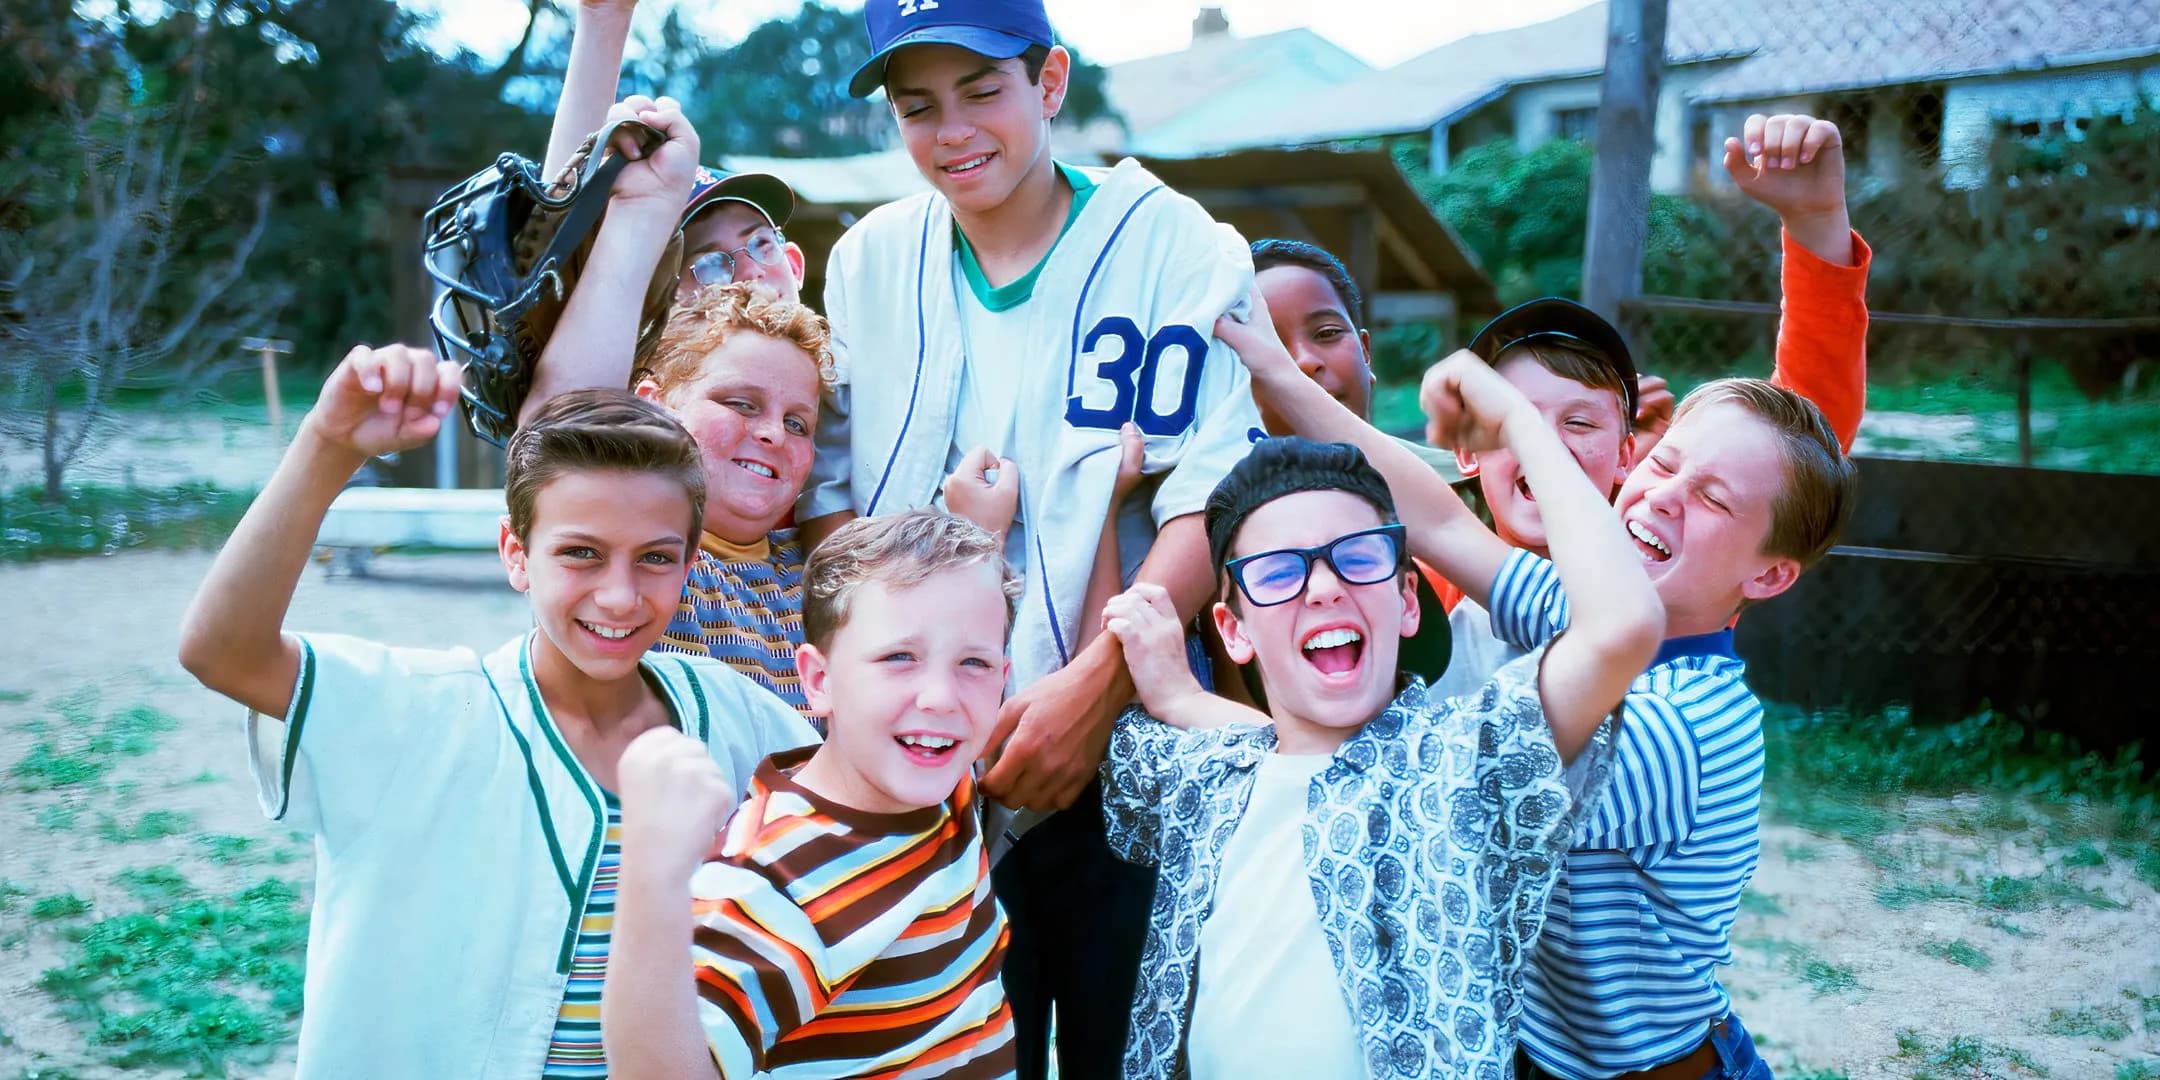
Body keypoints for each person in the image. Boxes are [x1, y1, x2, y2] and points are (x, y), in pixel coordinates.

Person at [798, 0, 1268, 1072]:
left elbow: (1215, 488)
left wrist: (1098, 685)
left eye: (982, 90)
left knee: (1131, 1054)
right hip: (920, 760)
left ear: (1050, 81)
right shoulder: (869, 259)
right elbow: (823, 489)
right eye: (917, 106)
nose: (952, 129)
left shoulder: (1179, 245)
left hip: (1130, 746)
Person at [1225, 299, 1857, 1080]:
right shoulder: (1582, 613)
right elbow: (1444, 524)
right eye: (1667, 464)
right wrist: (1277, 374)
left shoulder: (1684, 728)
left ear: (1766, 574)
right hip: (1545, 1056)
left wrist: (1524, 428)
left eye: (1715, 498)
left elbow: (1429, 801)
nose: (1664, 495)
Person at [175, 353, 816, 1078]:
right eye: (581, 553)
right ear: (516, 552)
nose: (618, 595)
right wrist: (329, 444)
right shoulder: (425, 713)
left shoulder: (737, 718)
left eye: (655, 559)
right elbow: (220, 652)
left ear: (691, 559)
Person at [1093, 406, 1661, 1074]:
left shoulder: (1465, 765)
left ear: (1408, 599)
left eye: (1358, 558)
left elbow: (1622, 623)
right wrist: (1104, 512)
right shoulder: (1204, 775)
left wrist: (1521, 425)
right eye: (1279, 572)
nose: (1327, 588)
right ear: (1234, 629)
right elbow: (1103, 686)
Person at [1428, 111, 1869, 699]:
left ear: (1625, 456)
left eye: (1580, 421)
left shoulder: (1665, 572)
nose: (1546, 442)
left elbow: (1798, 439)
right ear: (1468, 452)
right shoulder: (1430, 577)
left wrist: (1816, 223)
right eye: (1515, 420)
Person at [604, 510, 1020, 1079]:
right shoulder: (772, 886)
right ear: (819, 681)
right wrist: (650, 881)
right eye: (900, 658)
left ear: (1004, 677)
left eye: (974, 663)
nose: (941, 697)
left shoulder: (943, 777)